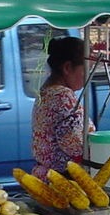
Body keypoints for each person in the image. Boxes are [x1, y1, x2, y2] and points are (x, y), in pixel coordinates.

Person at [31, 37, 95, 180]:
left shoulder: (46, 91)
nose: (88, 76)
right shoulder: (62, 96)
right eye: (86, 70)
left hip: (46, 177)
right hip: (62, 181)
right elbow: (76, 146)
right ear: (67, 68)